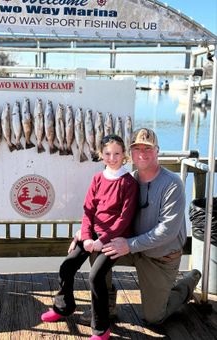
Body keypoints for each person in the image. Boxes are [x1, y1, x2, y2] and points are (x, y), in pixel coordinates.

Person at [73, 127, 202, 326]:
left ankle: (188, 283)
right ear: (130, 153)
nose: (142, 153)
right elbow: (101, 213)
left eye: (148, 148)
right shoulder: (128, 180)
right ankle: (105, 306)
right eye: (137, 148)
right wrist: (85, 233)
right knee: (97, 249)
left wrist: (129, 245)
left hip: (159, 257)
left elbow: (167, 231)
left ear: (157, 150)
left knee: (154, 317)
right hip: (133, 248)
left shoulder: (172, 184)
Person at [41, 134, 139, 340]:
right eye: (107, 154)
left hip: (115, 237)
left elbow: (124, 219)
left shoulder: (129, 183)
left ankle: (101, 328)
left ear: (124, 155)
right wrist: (85, 237)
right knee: (67, 266)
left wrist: (102, 241)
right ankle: (63, 307)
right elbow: (88, 211)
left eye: (117, 153)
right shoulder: (97, 178)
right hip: (92, 233)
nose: (112, 158)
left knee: (95, 277)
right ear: (101, 155)